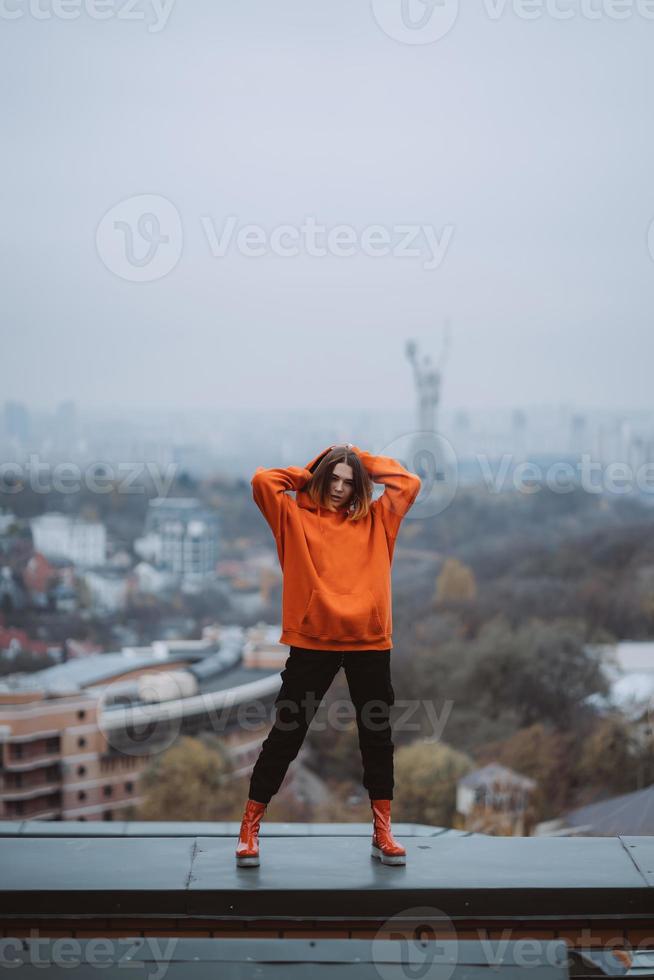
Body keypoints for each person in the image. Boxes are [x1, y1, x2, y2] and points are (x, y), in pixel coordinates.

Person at [235, 442, 421, 867]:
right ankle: (249, 827)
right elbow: (263, 481)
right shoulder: (292, 516)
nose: (339, 488)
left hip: (369, 641)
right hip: (312, 640)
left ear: (361, 486)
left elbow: (409, 483)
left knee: (377, 736)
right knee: (287, 733)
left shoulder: (378, 518)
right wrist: (316, 467)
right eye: (333, 479)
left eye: (348, 482)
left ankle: (382, 830)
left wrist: (355, 456)